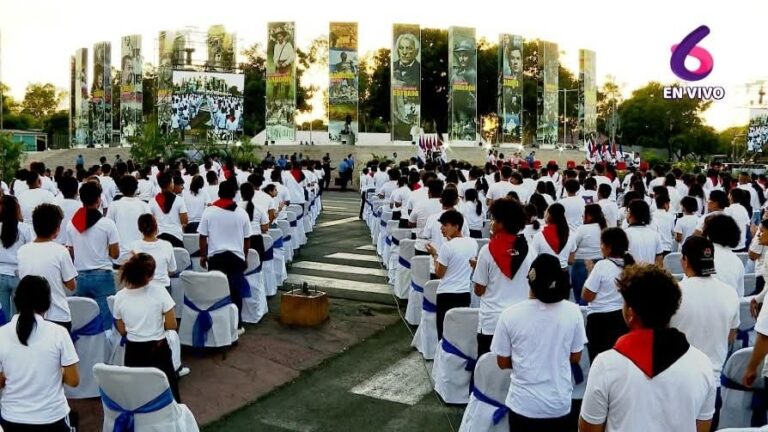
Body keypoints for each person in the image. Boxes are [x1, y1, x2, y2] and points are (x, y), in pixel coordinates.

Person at [579, 265, 716, 432]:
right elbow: (702, 428)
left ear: (630, 313)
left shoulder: (606, 364)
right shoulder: (702, 364)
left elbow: (589, 429)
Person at [492, 254, 586, 431]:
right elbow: (575, 356)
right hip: (559, 404)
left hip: (523, 405)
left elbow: (502, 362)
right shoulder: (573, 312)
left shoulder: (510, 315)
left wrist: (527, 361)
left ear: (530, 279)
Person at [670, 236, 739, 429]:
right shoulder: (730, 293)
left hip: (676, 382)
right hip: (712, 382)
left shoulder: (674, 293)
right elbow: (731, 335)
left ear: (684, 260)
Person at [0, 275, 80, 431]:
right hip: (51, 419)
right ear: (47, 303)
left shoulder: (2, 333)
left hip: (12, 419)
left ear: (16, 301)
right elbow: (73, 380)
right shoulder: (59, 333)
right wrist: (50, 373)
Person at [113, 253, 180, 402]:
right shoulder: (160, 291)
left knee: (137, 395)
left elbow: (121, 327)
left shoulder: (120, 297)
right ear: (149, 276)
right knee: (168, 393)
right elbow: (172, 324)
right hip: (157, 351)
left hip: (133, 351)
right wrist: (156, 324)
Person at [472, 199, 532, 356]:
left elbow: (479, 290)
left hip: (492, 321)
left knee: (488, 370)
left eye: (493, 219)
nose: (491, 223)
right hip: (522, 320)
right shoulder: (530, 250)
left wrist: (477, 268)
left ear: (501, 223)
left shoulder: (486, 251)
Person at [198, 180, 252, 334]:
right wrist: (245, 257)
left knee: (216, 291)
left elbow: (202, 236)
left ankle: (217, 324)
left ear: (219, 193)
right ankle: (238, 324)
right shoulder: (242, 213)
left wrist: (203, 256)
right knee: (235, 292)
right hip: (236, 258)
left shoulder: (209, 211)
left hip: (216, 258)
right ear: (235, 194)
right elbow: (247, 239)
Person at [66, 181, 120, 330]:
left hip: (80, 275)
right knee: (106, 321)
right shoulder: (107, 224)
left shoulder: (72, 224)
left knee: (84, 320)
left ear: (81, 199)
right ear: (98, 200)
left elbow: (71, 253)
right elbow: (115, 254)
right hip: (103, 275)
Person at [18, 204, 77, 330]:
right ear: (56, 228)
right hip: (58, 314)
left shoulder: (22, 251)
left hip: (29, 316)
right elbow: (72, 286)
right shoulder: (60, 251)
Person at [425, 210, 478, 341]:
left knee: (444, 334)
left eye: (445, 225)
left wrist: (434, 255)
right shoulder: (473, 243)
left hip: (446, 294)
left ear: (456, 226)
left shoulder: (447, 247)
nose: (442, 229)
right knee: (460, 334)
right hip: (464, 293)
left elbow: (439, 273)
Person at [582, 227, 632, 362]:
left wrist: (590, 272)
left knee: (599, 362)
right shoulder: (630, 266)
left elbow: (587, 296)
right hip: (622, 318)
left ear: (609, 248)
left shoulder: (602, 265)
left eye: (602, 244)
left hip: (600, 321)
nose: (601, 247)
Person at [0, 196, 33, 319]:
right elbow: (30, 252)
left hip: (0, 273)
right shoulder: (25, 229)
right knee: (18, 315)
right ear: (17, 209)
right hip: (18, 274)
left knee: (2, 315)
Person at [108, 175, 151, 263]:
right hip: (140, 256)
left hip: (119, 258)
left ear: (120, 189)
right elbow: (150, 230)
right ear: (136, 189)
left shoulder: (114, 205)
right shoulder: (144, 206)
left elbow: (109, 229)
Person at [569, 204, 607, 305]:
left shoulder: (583, 229)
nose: (582, 217)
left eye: (583, 214)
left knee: (580, 298)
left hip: (581, 264)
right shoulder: (604, 228)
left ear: (589, 216)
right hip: (599, 264)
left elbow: (572, 245)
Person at [702, 213, 745, 297]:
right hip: (730, 307)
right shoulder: (738, 262)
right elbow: (739, 295)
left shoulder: (700, 256)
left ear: (709, 233)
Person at [132, 214, 177, 293]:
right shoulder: (167, 245)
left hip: (142, 288)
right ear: (156, 226)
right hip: (163, 288)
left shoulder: (134, 246)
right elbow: (172, 269)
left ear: (140, 228)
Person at [150, 172, 188, 248]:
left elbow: (151, 221)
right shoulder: (179, 200)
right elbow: (184, 221)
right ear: (170, 183)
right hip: (176, 238)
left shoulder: (152, 201)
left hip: (159, 238)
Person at [624, 199, 663, 266]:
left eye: (627, 211)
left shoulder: (624, 234)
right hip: (650, 274)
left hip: (631, 274)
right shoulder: (655, 235)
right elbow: (659, 261)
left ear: (630, 213)